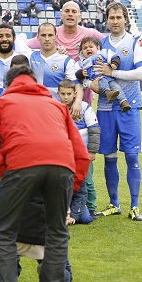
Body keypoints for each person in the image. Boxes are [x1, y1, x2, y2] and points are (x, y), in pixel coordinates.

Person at [0, 65, 89, 282]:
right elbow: (81, 153)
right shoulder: (57, 106)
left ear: (9, 83)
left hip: (21, 165)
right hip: (63, 167)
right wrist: (70, 189)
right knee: (57, 233)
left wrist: (1, 170)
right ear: (34, 82)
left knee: (4, 232)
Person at [93, 2, 142, 221]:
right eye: (111, 17)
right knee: (109, 157)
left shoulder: (136, 42)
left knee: (132, 156)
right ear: (107, 19)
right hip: (106, 108)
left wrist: (113, 73)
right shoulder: (101, 43)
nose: (115, 21)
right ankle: (113, 203)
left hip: (130, 106)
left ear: (125, 18)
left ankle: (135, 206)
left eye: (118, 17)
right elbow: (92, 71)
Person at [58, 79, 99, 224]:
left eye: (69, 93)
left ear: (75, 94)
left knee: (87, 181)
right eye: (63, 94)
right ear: (58, 93)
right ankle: (70, 209)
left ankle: (91, 207)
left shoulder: (84, 107)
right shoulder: (55, 108)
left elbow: (94, 130)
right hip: (63, 157)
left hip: (83, 155)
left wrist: (92, 151)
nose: (66, 97)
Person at [77, 36, 130, 112]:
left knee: (116, 87)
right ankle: (108, 92)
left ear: (97, 47)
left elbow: (114, 56)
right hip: (97, 80)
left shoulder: (103, 53)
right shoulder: (82, 62)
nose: (88, 49)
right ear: (82, 51)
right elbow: (76, 74)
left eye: (91, 47)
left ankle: (123, 102)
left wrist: (114, 64)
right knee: (102, 82)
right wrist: (81, 73)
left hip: (109, 78)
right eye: (85, 48)